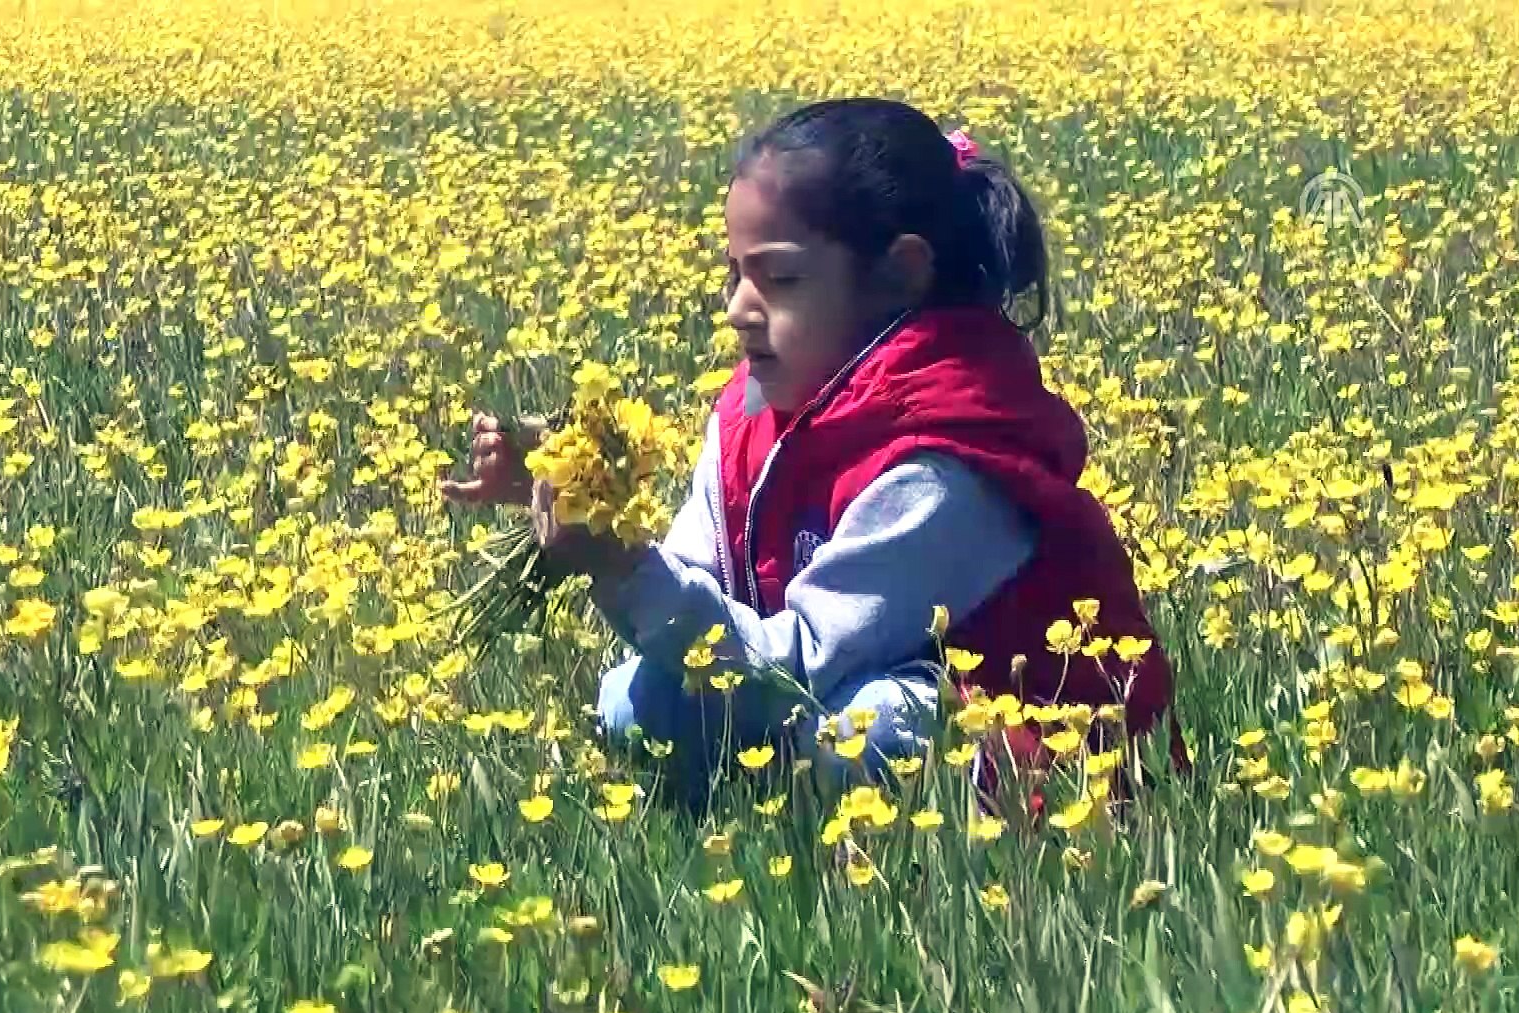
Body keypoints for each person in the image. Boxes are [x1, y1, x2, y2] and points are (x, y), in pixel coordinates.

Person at [443, 98, 1182, 809]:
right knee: (634, 702)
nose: (738, 308)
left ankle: (872, 827)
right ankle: (771, 796)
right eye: (734, 274)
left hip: (1039, 748)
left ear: (898, 275)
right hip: (814, 685)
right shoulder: (754, 413)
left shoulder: (941, 465)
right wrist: (583, 495)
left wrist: (622, 569)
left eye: (780, 279)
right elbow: (698, 602)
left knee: (868, 734)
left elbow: (795, 665)